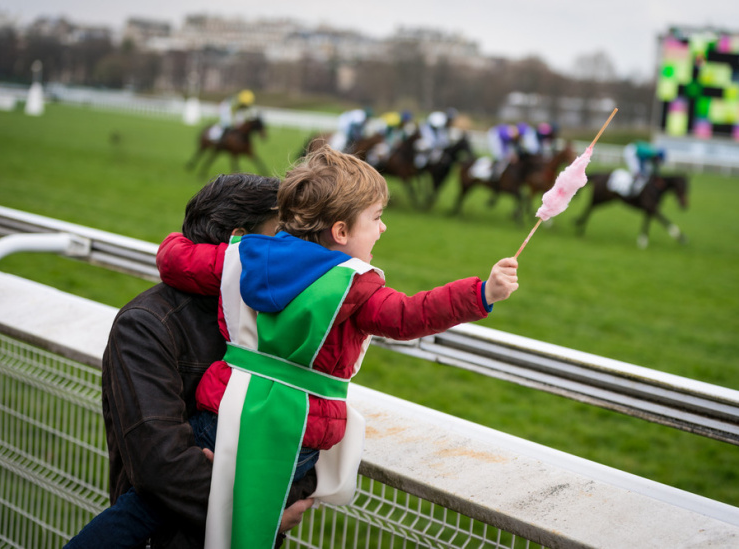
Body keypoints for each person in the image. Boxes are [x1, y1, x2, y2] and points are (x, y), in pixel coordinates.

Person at [154, 145, 520, 548]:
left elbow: (174, 261)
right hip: (299, 433)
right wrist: (482, 293)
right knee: (251, 530)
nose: (383, 228)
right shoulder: (357, 286)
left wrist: (177, 239)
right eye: (376, 218)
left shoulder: (243, 256)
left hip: (225, 410)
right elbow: (409, 315)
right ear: (341, 232)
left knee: (156, 509)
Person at [66, 174, 312, 549]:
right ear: (240, 240)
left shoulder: (276, 319)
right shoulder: (146, 324)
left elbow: (310, 440)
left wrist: (275, 495)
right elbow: (161, 465)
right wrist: (261, 509)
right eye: (281, 234)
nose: (295, 250)